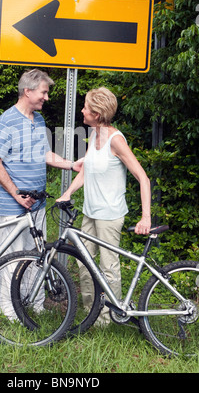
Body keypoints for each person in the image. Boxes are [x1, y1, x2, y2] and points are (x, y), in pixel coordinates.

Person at [0, 68, 81, 318]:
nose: (46, 97)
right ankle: (9, 311)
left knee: (36, 256)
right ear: (27, 91)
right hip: (14, 205)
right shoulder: (6, 121)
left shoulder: (37, 120)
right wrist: (17, 194)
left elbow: (45, 154)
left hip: (37, 203)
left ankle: (33, 305)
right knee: (12, 258)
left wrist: (71, 164)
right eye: (44, 92)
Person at [57, 86, 151, 326]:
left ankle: (110, 316)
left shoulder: (115, 139)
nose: (82, 110)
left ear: (97, 114)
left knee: (107, 266)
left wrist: (146, 217)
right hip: (90, 212)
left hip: (110, 215)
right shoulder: (94, 135)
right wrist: (67, 193)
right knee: (84, 263)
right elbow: (87, 168)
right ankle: (92, 314)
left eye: (86, 107)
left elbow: (143, 177)